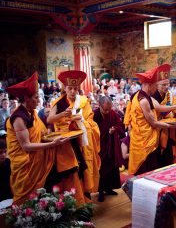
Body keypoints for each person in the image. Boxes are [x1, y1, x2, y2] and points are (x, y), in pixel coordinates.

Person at [6, 72, 69, 205]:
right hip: (26, 164)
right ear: (26, 99)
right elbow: (26, 146)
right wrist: (52, 144)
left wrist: (52, 135)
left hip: (38, 160)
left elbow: (40, 133)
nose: (39, 100)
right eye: (35, 97)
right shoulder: (18, 118)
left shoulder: (32, 112)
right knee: (27, 201)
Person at [47, 70, 101, 200]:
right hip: (65, 142)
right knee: (70, 172)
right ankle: (71, 199)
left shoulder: (83, 101)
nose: (72, 91)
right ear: (65, 88)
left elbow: (91, 122)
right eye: (70, 88)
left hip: (81, 140)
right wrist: (63, 115)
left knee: (82, 168)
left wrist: (80, 120)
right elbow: (50, 119)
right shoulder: (59, 102)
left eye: (75, 88)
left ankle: (84, 198)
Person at [124, 65, 176, 175]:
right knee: (147, 168)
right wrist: (171, 125)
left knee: (155, 165)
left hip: (151, 136)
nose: (165, 87)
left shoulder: (146, 96)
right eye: (157, 85)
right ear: (150, 85)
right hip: (147, 137)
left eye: (167, 84)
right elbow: (154, 120)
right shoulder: (144, 100)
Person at [152, 65, 176, 165]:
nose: (166, 87)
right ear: (157, 86)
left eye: (167, 84)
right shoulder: (153, 96)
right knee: (159, 153)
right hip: (157, 127)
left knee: (168, 151)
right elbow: (158, 109)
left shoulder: (170, 95)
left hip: (170, 127)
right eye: (163, 85)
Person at [93, 95, 125, 202]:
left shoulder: (112, 113)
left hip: (111, 145)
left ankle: (109, 188)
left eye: (109, 108)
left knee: (111, 167)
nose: (107, 111)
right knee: (101, 168)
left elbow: (120, 126)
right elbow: (90, 130)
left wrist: (114, 129)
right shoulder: (94, 115)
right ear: (100, 106)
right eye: (105, 109)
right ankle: (101, 190)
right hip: (99, 146)